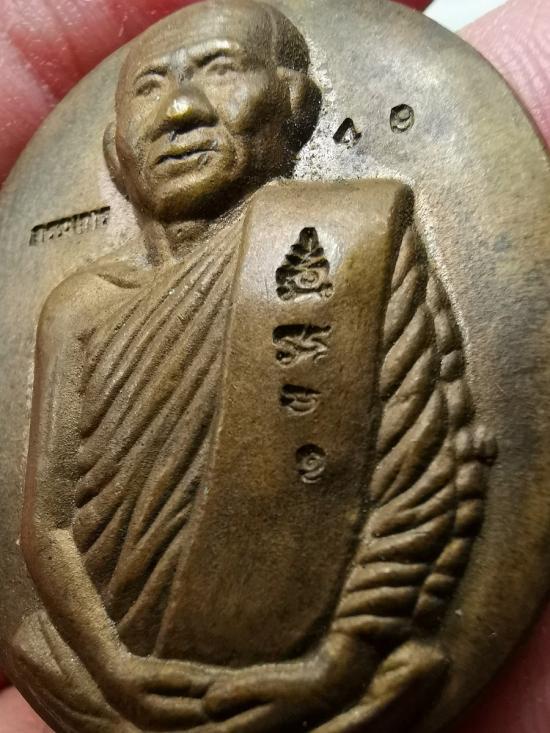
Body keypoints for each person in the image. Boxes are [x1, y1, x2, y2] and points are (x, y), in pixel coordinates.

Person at [0, 1, 549, 733]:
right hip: (98, 680)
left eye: (219, 69)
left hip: (335, 676)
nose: (181, 110)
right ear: (115, 148)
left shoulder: (353, 245)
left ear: (295, 104)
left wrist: (342, 660)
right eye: (150, 88)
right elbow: (47, 525)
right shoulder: (80, 306)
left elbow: (422, 473)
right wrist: (115, 668)